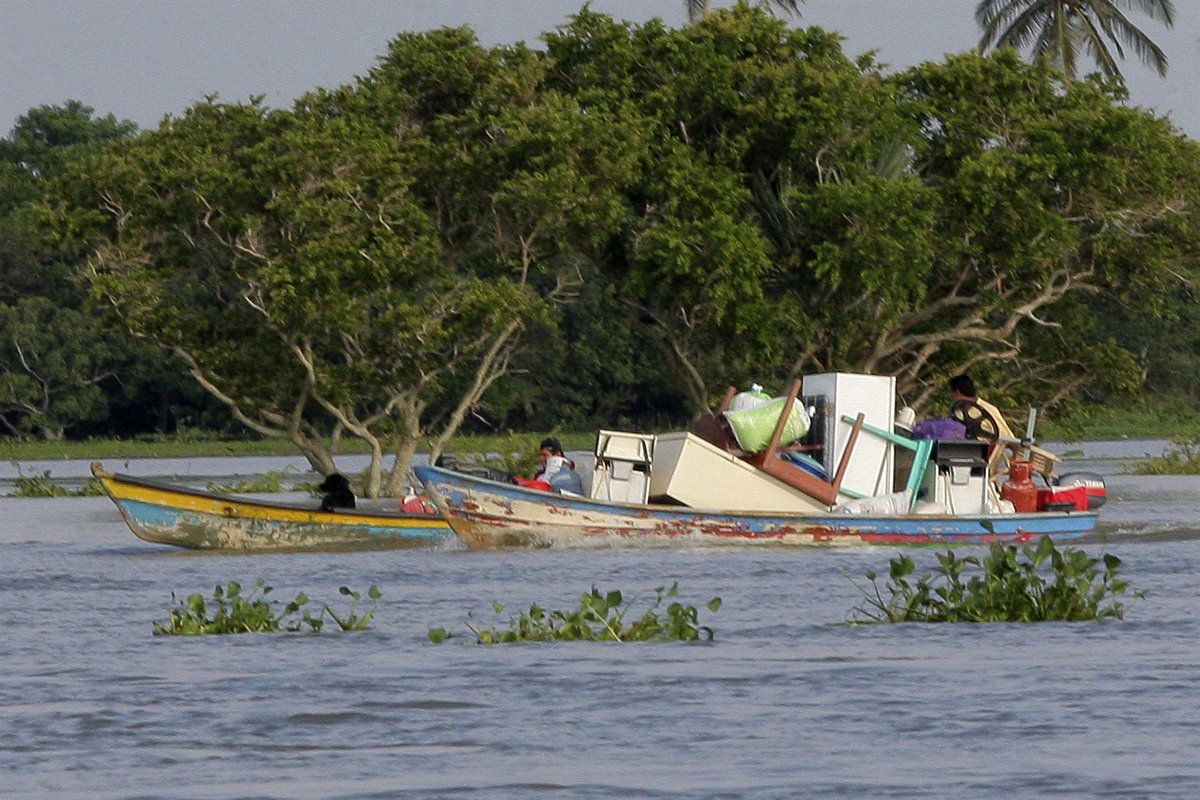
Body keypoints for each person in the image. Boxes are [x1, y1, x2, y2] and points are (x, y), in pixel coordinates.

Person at [948, 374, 1014, 442]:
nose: (950, 397)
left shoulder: (989, 410)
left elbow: (1008, 438)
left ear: (957, 392)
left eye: (951, 393)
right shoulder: (957, 413)